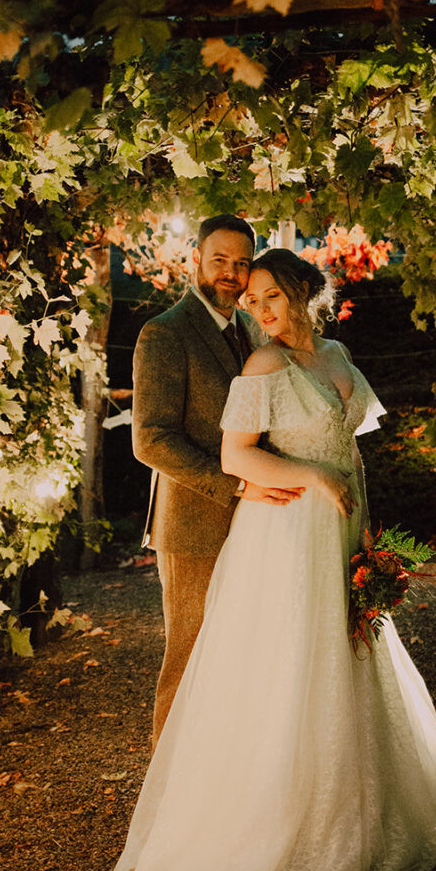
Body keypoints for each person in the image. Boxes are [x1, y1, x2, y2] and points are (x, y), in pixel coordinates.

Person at [113, 248, 436, 871]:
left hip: (343, 533)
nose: (261, 311)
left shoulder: (340, 357)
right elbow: (237, 453)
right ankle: (287, 833)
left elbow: (350, 451)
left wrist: (368, 533)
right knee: (291, 664)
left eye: (272, 296)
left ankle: (367, 822)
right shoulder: (263, 366)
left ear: (302, 291)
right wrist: (312, 478)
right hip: (288, 536)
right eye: (253, 300)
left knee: (350, 654)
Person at [131, 214, 301, 746]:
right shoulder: (164, 333)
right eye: (219, 261)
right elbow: (151, 440)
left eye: (241, 263)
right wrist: (235, 485)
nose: (230, 273)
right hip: (194, 527)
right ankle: (167, 801)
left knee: (242, 660)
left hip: (257, 520)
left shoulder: (250, 329)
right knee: (189, 659)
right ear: (196, 260)